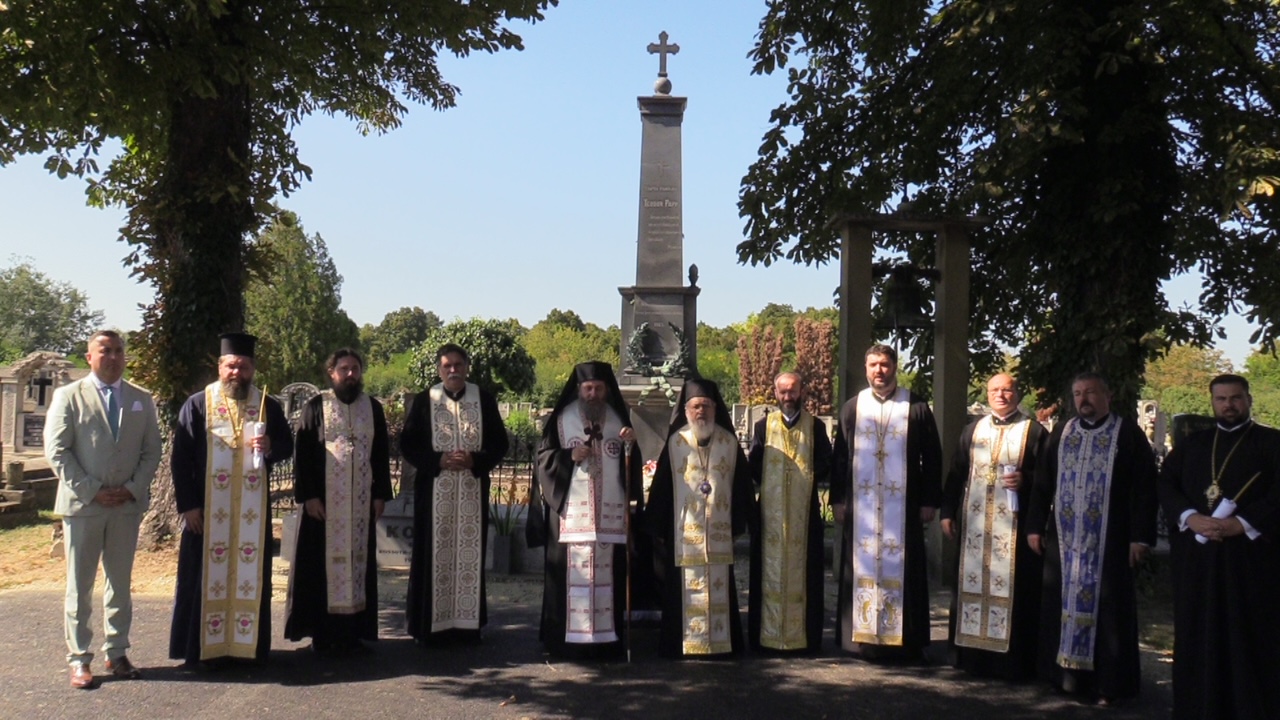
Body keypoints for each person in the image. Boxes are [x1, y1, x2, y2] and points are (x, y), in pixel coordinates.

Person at [1026, 372, 1158, 704]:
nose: (1084, 399)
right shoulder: (1062, 432)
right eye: (1078, 393)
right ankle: (1064, 678)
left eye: (1091, 392)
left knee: (1109, 613)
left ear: (1107, 396)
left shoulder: (1127, 433)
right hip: (1064, 541)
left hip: (1110, 542)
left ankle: (1109, 684)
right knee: (1059, 604)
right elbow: (1043, 482)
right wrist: (1033, 526)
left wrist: (1140, 537)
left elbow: (1145, 489)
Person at [44, 330, 162, 689]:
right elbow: (57, 451)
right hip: (84, 508)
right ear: (89, 356)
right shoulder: (69, 396)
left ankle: (118, 651)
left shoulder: (141, 399)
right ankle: (79, 658)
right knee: (80, 586)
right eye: (104, 350)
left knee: (120, 583)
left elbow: (151, 451)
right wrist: (92, 490)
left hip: (125, 507)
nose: (112, 356)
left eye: (119, 351)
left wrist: (131, 488)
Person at [1158, 374, 1280, 719]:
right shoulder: (1193, 445)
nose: (1229, 405)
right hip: (1198, 561)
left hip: (1250, 562)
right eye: (1221, 399)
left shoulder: (1272, 443)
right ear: (1212, 402)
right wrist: (1189, 516)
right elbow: (1166, 484)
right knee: (1198, 633)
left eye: (1235, 398)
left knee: (1249, 637)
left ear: (1249, 400)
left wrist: (1239, 524)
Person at [169, 332, 294, 667]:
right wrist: (189, 506)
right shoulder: (198, 403)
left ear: (253, 369)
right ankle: (201, 652)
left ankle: (246, 649)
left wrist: (271, 447)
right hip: (208, 512)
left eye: (243, 367)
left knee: (251, 577)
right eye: (230, 366)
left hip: (251, 514)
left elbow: (287, 446)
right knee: (201, 578)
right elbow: (180, 459)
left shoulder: (268, 404)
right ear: (220, 366)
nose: (236, 373)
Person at [830, 344, 943, 661]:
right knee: (860, 567)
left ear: (895, 367)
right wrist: (838, 499)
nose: (879, 370)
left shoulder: (916, 407)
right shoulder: (853, 408)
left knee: (906, 569)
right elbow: (841, 457)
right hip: (862, 508)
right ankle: (860, 639)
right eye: (873, 365)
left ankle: (905, 640)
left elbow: (932, 457)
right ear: (866, 369)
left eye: (884, 364)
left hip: (903, 509)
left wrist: (929, 500)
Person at [528, 361, 641, 658]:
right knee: (568, 578)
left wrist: (631, 446)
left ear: (606, 390)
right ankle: (564, 642)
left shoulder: (619, 420)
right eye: (588, 388)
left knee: (608, 578)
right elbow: (543, 460)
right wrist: (568, 455)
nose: (593, 394)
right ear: (578, 389)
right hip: (570, 516)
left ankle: (607, 641)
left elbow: (631, 470)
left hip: (609, 517)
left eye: (598, 388)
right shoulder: (561, 420)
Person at [284, 349, 393, 655]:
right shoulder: (316, 405)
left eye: (355, 369)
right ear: (331, 374)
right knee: (321, 569)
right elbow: (302, 454)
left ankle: (352, 634)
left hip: (359, 507)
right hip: (325, 508)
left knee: (358, 568)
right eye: (343, 369)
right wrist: (309, 497)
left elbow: (381, 453)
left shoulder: (372, 407)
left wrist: (380, 494)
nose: (350, 374)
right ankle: (322, 634)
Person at [940, 373, 1048, 680]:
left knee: (1018, 593)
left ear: (1017, 393)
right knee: (970, 587)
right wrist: (947, 511)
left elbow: (1046, 481)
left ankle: (1012, 663)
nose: (1000, 395)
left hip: (1015, 529)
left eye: (1007, 390)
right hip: (974, 527)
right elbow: (956, 473)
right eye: (994, 390)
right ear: (987, 394)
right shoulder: (973, 430)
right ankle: (971, 658)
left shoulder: (1034, 432)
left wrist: (1025, 480)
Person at [400, 343, 509, 644]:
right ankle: (429, 627)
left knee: (469, 558)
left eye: (458, 365)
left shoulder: (483, 400)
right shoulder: (426, 400)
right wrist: (438, 461)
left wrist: (477, 460)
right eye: (447, 366)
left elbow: (500, 443)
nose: (453, 371)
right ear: (439, 369)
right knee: (431, 557)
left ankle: (465, 627)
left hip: (471, 491)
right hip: (434, 493)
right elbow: (407, 444)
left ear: (466, 367)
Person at [644, 378, 754, 658]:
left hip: (718, 529)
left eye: (705, 406)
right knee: (680, 588)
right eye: (695, 407)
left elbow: (742, 486)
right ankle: (681, 644)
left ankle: (721, 644)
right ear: (686, 410)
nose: (700, 412)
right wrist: (658, 524)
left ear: (715, 408)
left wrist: (740, 522)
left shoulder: (729, 443)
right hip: (685, 534)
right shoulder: (676, 442)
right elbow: (663, 487)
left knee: (721, 585)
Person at [746, 371, 832, 654]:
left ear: (802, 392)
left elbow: (825, 463)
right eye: (782, 391)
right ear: (775, 392)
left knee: (807, 575)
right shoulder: (763, 426)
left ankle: (805, 639)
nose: (787, 397)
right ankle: (766, 639)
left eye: (792, 391)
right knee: (765, 574)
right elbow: (754, 466)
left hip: (804, 515)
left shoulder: (815, 427)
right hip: (769, 515)